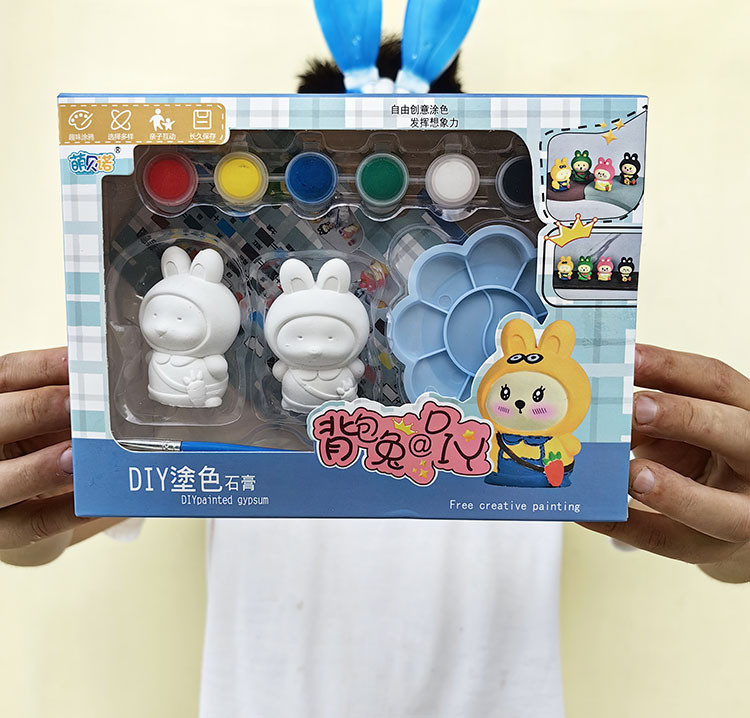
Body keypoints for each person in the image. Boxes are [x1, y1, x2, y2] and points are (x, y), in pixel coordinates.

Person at [3, 42, 750, 717]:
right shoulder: (236, 383)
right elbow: (52, 528)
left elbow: (699, 531)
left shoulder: (533, 353)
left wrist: (735, 534)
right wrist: (28, 504)